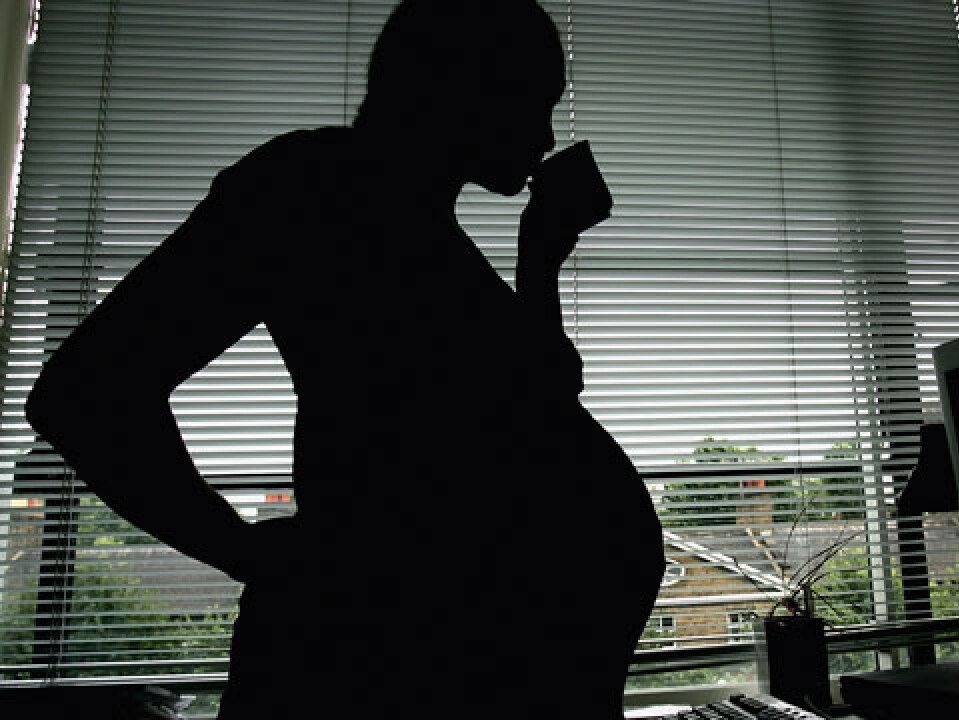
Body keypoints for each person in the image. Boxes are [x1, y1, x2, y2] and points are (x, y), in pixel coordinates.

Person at [24, 1, 665, 717]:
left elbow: (537, 406)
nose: (546, 136)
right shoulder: (314, 185)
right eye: (535, 102)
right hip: (380, 672)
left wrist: (540, 258)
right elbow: (84, 393)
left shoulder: (427, 228)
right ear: (461, 85)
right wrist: (246, 553)